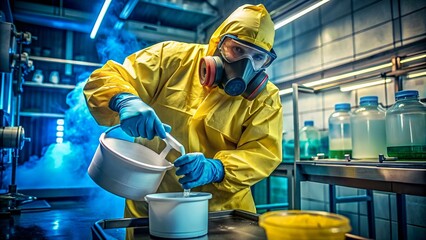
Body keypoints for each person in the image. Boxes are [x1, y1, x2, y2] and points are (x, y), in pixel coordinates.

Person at [84, 2, 282, 234]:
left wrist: (218, 169)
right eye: (237, 50)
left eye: (258, 58)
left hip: (221, 214)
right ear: (219, 43)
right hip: (151, 208)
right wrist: (124, 99)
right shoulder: (172, 58)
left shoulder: (265, 99)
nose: (245, 66)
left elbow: (264, 153)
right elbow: (107, 76)